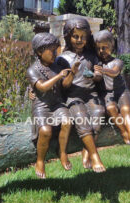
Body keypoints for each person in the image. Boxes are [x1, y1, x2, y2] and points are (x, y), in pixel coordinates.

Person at [56, 17, 106, 172]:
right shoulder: (62, 58)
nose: (79, 40)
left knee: (99, 112)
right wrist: (72, 73)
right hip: (73, 97)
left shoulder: (91, 56)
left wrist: (93, 75)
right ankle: (95, 156)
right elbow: (63, 85)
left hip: (90, 94)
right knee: (80, 116)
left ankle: (87, 150)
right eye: (75, 36)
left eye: (83, 37)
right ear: (67, 37)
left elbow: (99, 75)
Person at [26, 33, 78, 179]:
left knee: (67, 122)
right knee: (45, 131)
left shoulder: (57, 66)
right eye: (52, 50)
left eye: (56, 49)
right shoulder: (32, 70)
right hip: (41, 105)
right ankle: (40, 160)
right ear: (39, 52)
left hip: (57, 103)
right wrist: (59, 75)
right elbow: (42, 87)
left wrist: (72, 74)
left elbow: (65, 85)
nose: (56, 53)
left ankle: (62, 152)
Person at [93, 30, 130, 145]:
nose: (101, 51)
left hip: (121, 92)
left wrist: (104, 70)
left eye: (105, 47)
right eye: (99, 48)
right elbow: (97, 77)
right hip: (107, 94)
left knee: (125, 110)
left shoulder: (117, 61)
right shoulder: (97, 63)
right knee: (110, 109)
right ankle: (124, 132)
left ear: (112, 46)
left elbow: (115, 72)